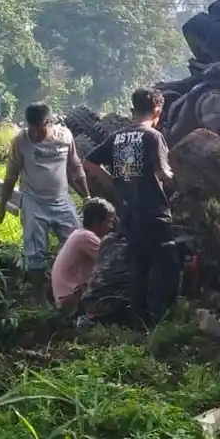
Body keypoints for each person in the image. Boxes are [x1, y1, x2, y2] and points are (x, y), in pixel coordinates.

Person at [83, 88, 181, 325]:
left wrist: (112, 182)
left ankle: (139, 322)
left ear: (132, 110)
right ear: (157, 110)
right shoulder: (153, 136)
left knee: (138, 269)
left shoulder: (117, 137)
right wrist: (180, 180)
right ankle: (162, 321)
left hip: (129, 215)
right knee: (166, 269)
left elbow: (88, 162)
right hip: (155, 214)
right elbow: (162, 173)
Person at [0, 102, 91, 298]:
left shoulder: (65, 136)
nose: (34, 133)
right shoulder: (21, 141)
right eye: (30, 128)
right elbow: (11, 176)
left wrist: (87, 196)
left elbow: (75, 168)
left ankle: (78, 289)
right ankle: (37, 296)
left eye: (38, 129)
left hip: (61, 199)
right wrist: (2, 205)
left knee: (77, 240)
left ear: (49, 122)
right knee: (35, 250)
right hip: (34, 201)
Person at [51, 197, 116, 315]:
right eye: (108, 222)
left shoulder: (79, 234)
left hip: (67, 298)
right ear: (96, 223)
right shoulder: (86, 237)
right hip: (71, 301)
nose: (111, 227)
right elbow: (112, 260)